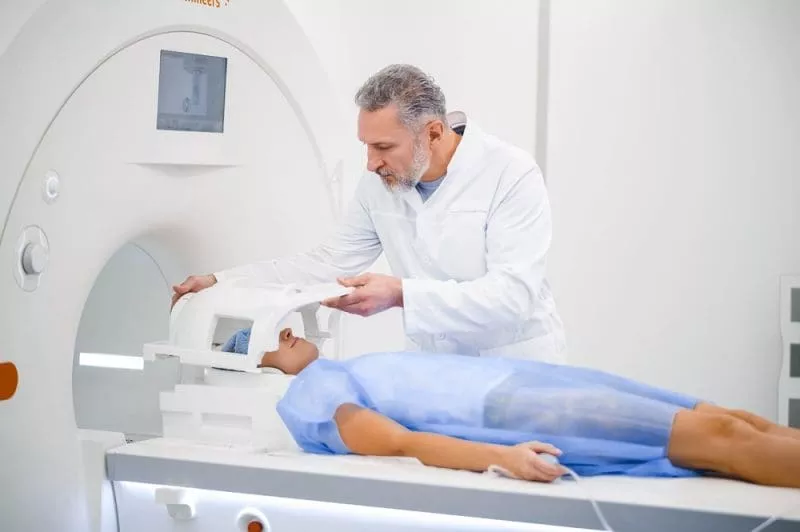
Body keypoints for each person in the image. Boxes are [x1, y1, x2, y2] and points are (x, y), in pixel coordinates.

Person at [173, 64, 565, 362]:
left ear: (432, 132)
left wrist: (401, 294)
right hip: (434, 370)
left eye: (383, 147)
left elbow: (512, 296)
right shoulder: (380, 184)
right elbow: (328, 264)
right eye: (366, 146)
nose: (370, 163)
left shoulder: (510, 172)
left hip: (515, 366)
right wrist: (222, 281)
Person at [227, 327, 800, 489]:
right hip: (513, 409)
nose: (288, 328)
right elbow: (401, 443)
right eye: (271, 337)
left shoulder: (337, 367)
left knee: (731, 418)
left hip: (522, 381)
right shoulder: (310, 397)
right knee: (722, 439)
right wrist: (500, 457)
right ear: (255, 361)